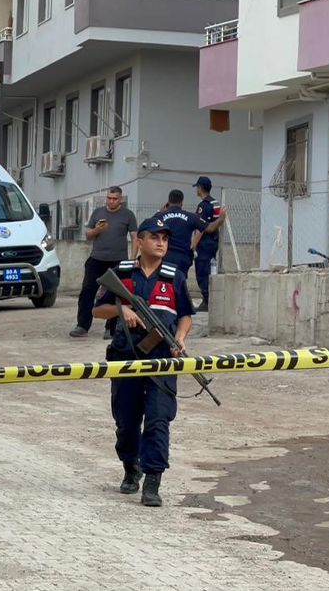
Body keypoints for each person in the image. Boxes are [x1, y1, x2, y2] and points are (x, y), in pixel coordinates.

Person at [92, 217, 195, 508]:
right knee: (126, 421)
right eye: (154, 237)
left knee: (158, 419)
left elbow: (185, 315)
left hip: (162, 359)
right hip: (126, 358)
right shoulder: (122, 272)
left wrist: (180, 337)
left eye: (165, 238)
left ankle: (153, 480)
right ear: (139, 242)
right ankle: (130, 466)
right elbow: (97, 310)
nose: (161, 243)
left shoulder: (174, 276)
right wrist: (121, 310)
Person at [70, 186, 138, 339]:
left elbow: (135, 237)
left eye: (114, 199)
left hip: (118, 261)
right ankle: (82, 326)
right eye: (109, 198)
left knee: (116, 295)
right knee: (87, 291)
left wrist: (133, 259)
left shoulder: (128, 215)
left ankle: (110, 329)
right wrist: (97, 230)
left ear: (120, 199)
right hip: (96, 259)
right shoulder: (98, 212)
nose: (111, 201)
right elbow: (88, 234)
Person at [189, 176, 227, 312]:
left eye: (197, 187)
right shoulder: (215, 203)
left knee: (202, 271)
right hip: (212, 242)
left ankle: (206, 300)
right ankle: (209, 299)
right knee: (209, 271)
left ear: (200, 188)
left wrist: (193, 245)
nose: (196, 190)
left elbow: (202, 228)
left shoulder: (203, 206)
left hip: (204, 243)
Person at [153, 190, 207, 276]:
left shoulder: (160, 216)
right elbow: (205, 227)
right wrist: (193, 244)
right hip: (183, 257)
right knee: (180, 280)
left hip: (165, 256)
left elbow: (149, 225)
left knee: (165, 280)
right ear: (182, 202)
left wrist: (160, 210)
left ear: (168, 202)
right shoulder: (191, 217)